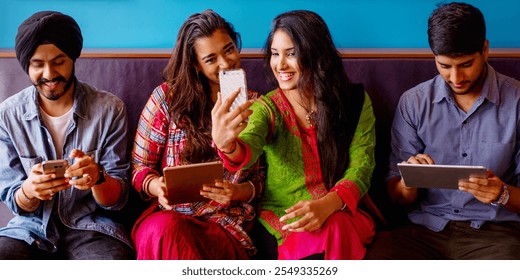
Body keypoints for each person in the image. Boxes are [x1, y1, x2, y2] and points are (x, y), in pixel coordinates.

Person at [212, 10, 376, 260]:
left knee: (337, 225)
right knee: (330, 229)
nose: (280, 65)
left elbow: (361, 167)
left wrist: (327, 204)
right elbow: (247, 147)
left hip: (341, 209)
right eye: (275, 54)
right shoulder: (267, 108)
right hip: (285, 217)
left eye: (291, 54)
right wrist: (227, 145)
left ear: (315, 54)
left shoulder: (353, 102)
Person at [365, 2, 520, 260]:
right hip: (424, 231)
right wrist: (408, 183)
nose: (456, 77)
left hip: (496, 234)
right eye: (445, 66)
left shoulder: (516, 102)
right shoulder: (413, 102)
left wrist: (501, 193)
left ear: (485, 50)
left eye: (466, 64)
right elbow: (394, 195)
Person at [130, 9, 265, 260]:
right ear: (195, 64)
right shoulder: (165, 100)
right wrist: (155, 186)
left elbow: (260, 179)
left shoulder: (256, 106)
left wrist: (236, 192)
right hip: (171, 218)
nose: (225, 63)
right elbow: (139, 167)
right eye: (211, 59)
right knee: (166, 231)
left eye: (228, 49)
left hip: (226, 223)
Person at [0, 11, 134, 259]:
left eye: (59, 61)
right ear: (27, 65)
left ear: (73, 58)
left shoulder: (110, 110)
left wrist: (98, 178)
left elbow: (118, 199)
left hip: (93, 229)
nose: (49, 74)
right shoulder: (7, 115)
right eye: (38, 64)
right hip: (29, 230)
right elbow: (13, 198)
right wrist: (29, 191)